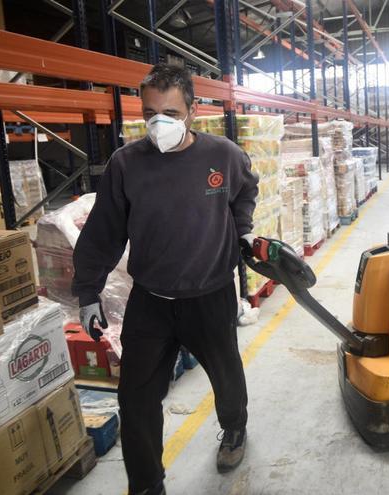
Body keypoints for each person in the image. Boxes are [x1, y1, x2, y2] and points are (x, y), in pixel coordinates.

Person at [72, 63, 262, 495]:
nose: (160, 123)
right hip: (151, 301)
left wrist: (242, 229)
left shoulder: (223, 155)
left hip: (209, 294)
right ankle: (145, 484)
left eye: (171, 114)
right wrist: (88, 291)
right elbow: (104, 230)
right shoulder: (126, 165)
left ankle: (234, 429)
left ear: (192, 112)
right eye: (151, 113)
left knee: (227, 376)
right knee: (135, 400)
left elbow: (245, 191)